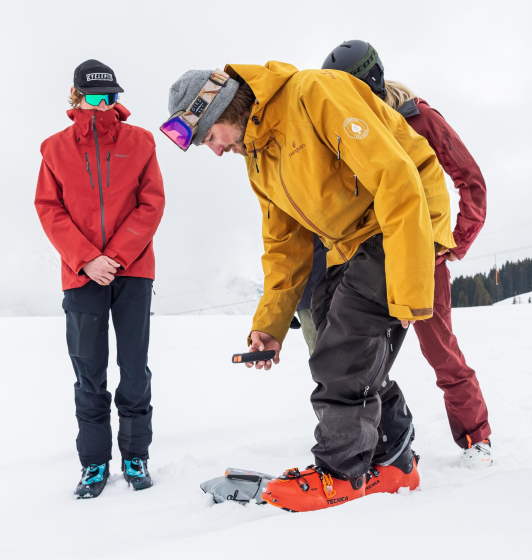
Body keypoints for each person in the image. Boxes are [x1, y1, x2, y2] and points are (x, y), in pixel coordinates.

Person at [162, 63, 455, 511]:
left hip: (404, 218)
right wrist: (271, 325)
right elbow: (284, 245)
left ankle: (340, 473)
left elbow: (397, 177)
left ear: (222, 107)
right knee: (334, 338)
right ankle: (395, 458)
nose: (216, 151)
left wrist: (411, 283)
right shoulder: (258, 157)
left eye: (209, 137)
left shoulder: (313, 93)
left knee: (345, 347)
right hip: (349, 242)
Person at [322, 41, 492, 468]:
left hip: (423, 255)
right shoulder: (346, 123)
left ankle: (477, 438)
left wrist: (455, 240)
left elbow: (470, 178)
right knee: (361, 356)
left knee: (441, 352)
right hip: (372, 259)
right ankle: (384, 438)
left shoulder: (418, 118)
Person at [35, 59, 163, 498]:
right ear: (75, 96)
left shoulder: (141, 141)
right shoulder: (53, 149)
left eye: (110, 96)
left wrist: (118, 256)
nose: (103, 105)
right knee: (89, 373)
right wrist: (88, 259)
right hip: (81, 274)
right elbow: (49, 210)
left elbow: (151, 204)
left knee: (133, 369)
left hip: (133, 271)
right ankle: (93, 464)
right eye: (93, 96)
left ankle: (135, 455)